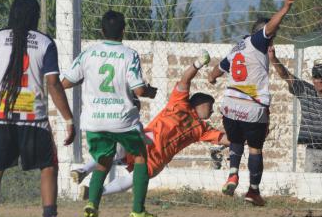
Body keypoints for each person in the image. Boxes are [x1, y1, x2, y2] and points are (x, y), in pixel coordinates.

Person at [0, 0, 76, 217]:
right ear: (35, 16)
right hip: (34, 120)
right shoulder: (44, 42)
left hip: (0, 117)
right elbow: (53, 84)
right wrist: (68, 119)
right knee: (48, 168)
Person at [70, 50, 229, 196]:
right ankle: (83, 170)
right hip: (147, 140)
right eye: (211, 106)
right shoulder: (180, 102)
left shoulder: (203, 129)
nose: (212, 111)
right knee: (117, 148)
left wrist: (248, 134)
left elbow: (225, 139)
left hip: (159, 157)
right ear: (200, 103)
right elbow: (185, 79)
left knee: (135, 177)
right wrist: (198, 63)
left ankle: (94, 192)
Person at [61, 10, 157, 217]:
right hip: (122, 120)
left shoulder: (88, 54)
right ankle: (138, 211)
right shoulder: (129, 54)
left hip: (94, 121)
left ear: (102, 31)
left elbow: (65, 83)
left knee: (102, 161)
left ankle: (92, 205)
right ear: (123, 31)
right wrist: (151, 92)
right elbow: (139, 89)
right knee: (142, 156)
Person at [208, 0, 297, 206]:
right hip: (252, 107)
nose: (272, 41)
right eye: (272, 37)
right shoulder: (258, 41)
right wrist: (284, 8)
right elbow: (271, 26)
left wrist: (211, 78)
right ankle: (253, 191)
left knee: (236, 142)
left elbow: (215, 72)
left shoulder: (237, 47)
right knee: (255, 148)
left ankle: (232, 175)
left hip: (229, 106)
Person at [269, 47, 322, 173]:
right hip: (312, 151)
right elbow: (286, 75)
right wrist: (273, 59)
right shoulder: (307, 91)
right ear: (313, 79)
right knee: (311, 188)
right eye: (317, 77)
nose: (320, 81)